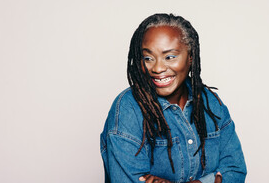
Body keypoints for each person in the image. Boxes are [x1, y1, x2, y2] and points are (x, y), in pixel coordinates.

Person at [100, 14, 247, 183]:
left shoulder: (211, 103)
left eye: (170, 57)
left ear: (190, 57)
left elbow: (235, 170)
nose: (158, 68)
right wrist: (211, 180)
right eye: (148, 58)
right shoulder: (128, 110)